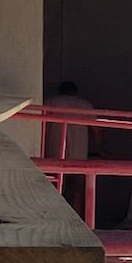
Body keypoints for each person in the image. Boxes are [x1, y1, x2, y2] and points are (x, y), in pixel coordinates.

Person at [42, 79, 95, 220]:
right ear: (75, 92)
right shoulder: (84, 105)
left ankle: (52, 220)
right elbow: (97, 131)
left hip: (54, 153)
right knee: (77, 191)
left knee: (55, 190)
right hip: (79, 155)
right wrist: (99, 147)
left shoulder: (49, 103)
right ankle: (75, 221)